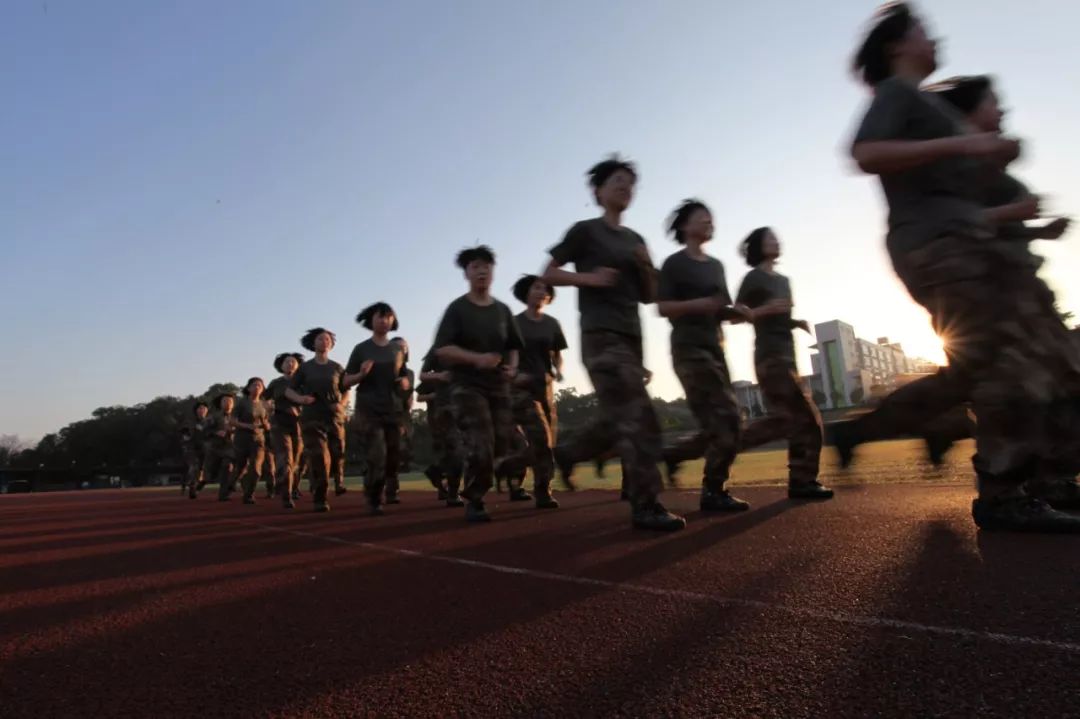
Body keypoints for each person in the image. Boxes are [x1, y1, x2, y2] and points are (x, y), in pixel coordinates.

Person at [848, 2, 1080, 531]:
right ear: (896, 46)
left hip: (964, 244)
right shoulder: (897, 92)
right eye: (923, 31)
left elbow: (967, 196)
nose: (935, 39)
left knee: (1027, 361)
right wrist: (965, 142)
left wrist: (1003, 183)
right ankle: (1004, 492)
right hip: (937, 246)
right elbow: (864, 152)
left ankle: (1038, 481)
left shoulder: (927, 106)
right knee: (1002, 362)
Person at [542, 156, 684, 531]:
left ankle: (570, 453)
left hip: (631, 337)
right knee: (640, 416)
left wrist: (645, 268)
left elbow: (651, 297)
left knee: (617, 418)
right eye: (617, 181)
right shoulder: (585, 231)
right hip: (599, 335)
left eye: (630, 183)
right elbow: (549, 274)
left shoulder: (636, 240)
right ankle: (646, 504)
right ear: (598, 191)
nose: (625, 187)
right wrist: (589, 279)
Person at [656, 199, 754, 511]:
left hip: (716, 349)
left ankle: (681, 464)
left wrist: (737, 312)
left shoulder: (716, 266)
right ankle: (712, 490)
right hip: (688, 348)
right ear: (685, 226)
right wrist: (699, 305)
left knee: (724, 423)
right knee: (727, 417)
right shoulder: (674, 264)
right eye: (703, 218)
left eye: (712, 219)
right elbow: (664, 307)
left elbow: (720, 307)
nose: (710, 223)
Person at [734, 227, 832, 500]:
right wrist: (765, 310)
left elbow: (779, 316)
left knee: (793, 420)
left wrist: (793, 321)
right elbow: (735, 314)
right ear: (758, 247)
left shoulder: (785, 281)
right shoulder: (753, 278)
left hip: (789, 358)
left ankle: (800, 480)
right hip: (769, 356)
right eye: (769, 239)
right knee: (806, 418)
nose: (776, 241)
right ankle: (801, 480)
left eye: (777, 238)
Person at [432, 245, 527, 522]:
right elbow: (443, 350)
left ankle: (466, 470)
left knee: (502, 444)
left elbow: (513, 346)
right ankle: (474, 498)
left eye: (487, 265)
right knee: (481, 442)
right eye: (475, 266)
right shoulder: (457, 309)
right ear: (467, 273)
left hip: (498, 386)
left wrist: (513, 367)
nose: (482, 270)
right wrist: (476, 359)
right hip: (467, 386)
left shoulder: (503, 310)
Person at [507, 273, 568, 508]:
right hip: (521, 389)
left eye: (545, 289)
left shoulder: (552, 324)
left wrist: (558, 370)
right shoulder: (514, 323)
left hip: (546, 387)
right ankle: (543, 492)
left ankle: (512, 471)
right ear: (526, 293)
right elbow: (506, 356)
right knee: (540, 438)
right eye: (537, 288)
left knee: (547, 443)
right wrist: (512, 374)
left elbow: (557, 354)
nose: (542, 292)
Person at [344, 303, 410, 516]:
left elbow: (403, 374)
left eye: (388, 317)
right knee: (377, 454)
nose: (384, 320)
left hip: (392, 409)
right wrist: (361, 375)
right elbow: (345, 381)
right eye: (379, 317)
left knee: (393, 456)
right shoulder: (362, 348)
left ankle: (373, 480)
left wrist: (404, 382)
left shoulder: (397, 349)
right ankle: (374, 498)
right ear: (371, 321)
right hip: (369, 409)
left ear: (393, 321)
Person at [285, 328, 347, 513]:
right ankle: (320, 498)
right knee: (320, 457)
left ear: (332, 344)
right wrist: (301, 399)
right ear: (313, 344)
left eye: (327, 339)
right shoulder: (305, 368)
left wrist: (342, 405)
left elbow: (346, 390)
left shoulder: (337, 367)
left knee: (338, 452)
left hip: (334, 417)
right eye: (320, 339)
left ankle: (339, 480)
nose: (324, 341)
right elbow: (289, 391)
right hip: (312, 418)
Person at [417, 350, 462, 505]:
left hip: (464, 410)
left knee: (456, 453)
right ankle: (451, 491)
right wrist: (434, 394)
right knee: (455, 451)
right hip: (442, 416)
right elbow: (419, 396)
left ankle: (437, 473)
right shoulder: (432, 376)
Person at [266, 352, 305, 509]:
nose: (290, 364)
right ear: (281, 366)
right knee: (285, 459)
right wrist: (267, 410)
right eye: (287, 362)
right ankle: (286, 496)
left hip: (299, 424)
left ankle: (290, 486)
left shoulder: (304, 382)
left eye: (293, 361)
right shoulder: (276, 383)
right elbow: (264, 399)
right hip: (279, 424)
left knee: (296, 461)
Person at [224, 377, 270, 504]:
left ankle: (249, 495)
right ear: (248, 388)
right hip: (242, 439)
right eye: (254, 385)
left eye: (260, 385)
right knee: (241, 467)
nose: (257, 387)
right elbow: (232, 421)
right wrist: (246, 426)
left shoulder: (264, 404)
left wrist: (266, 426)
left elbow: (266, 421)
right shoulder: (241, 403)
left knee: (256, 469)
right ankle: (229, 486)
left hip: (258, 440)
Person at [201, 393, 236, 497]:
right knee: (211, 473)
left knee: (228, 467)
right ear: (220, 404)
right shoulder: (214, 416)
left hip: (231, 448)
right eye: (225, 401)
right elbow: (204, 430)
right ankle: (203, 481)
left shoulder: (237, 416)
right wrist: (215, 432)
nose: (228, 403)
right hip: (215, 448)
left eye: (230, 401)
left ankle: (224, 493)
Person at [392, 337, 416, 475]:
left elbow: (410, 395)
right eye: (397, 346)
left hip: (403, 414)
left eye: (404, 347)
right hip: (386, 412)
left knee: (404, 449)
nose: (401, 349)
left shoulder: (410, 373)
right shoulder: (383, 369)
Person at [181, 402, 210, 499]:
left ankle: (197, 485)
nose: (202, 410)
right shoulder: (190, 422)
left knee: (204, 470)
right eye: (200, 408)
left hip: (206, 449)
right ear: (196, 410)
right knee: (194, 467)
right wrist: (186, 438)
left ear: (207, 410)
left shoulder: (210, 422)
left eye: (204, 408)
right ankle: (192, 486)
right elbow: (184, 434)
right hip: (192, 448)